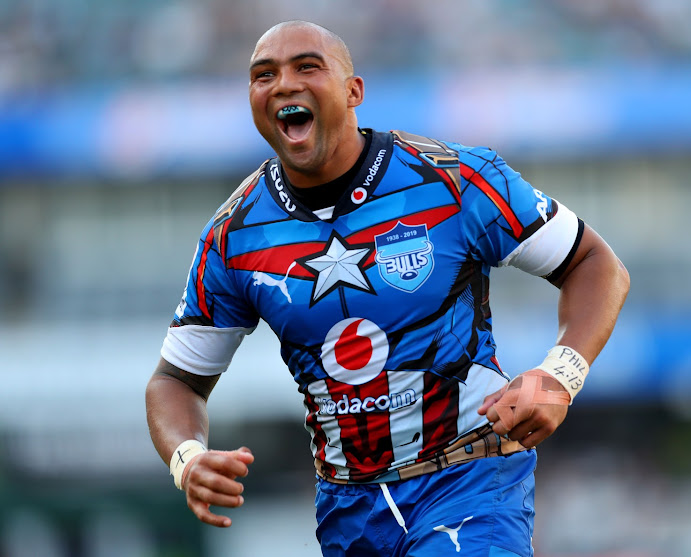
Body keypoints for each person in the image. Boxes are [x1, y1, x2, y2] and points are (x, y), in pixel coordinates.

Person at [145, 19, 630, 557]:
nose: (283, 84)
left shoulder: (454, 181)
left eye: (307, 66)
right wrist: (186, 458)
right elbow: (175, 382)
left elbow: (595, 263)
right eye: (264, 75)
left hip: (468, 475)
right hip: (348, 509)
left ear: (354, 91)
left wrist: (559, 376)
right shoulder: (234, 237)